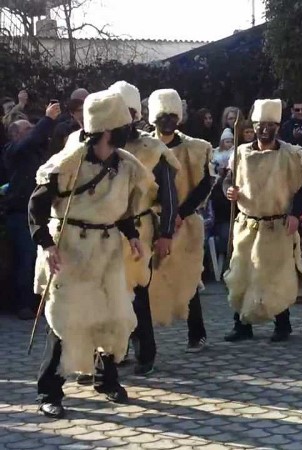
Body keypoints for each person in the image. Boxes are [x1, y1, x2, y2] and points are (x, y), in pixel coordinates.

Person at [30, 90, 153, 418]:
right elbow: (37, 205)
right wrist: (47, 243)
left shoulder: (126, 164)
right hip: (71, 249)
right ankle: (49, 391)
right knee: (65, 321)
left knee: (114, 316)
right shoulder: (69, 162)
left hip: (108, 249)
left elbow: (124, 209)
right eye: (125, 124)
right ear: (110, 129)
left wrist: (133, 236)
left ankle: (106, 380)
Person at [106, 81, 180, 376]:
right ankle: (114, 350)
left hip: (141, 229)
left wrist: (165, 234)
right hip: (107, 232)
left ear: (136, 113)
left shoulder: (152, 148)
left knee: (138, 293)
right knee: (111, 292)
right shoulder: (103, 145)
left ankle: (145, 353)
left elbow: (169, 196)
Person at [223, 99, 302, 343]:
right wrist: (228, 190)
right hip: (248, 224)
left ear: (277, 127)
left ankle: (282, 324)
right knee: (242, 275)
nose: (264, 129)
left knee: (275, 276)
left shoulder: (290, 154)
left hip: (277, 225)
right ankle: (242, 325)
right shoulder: (240, 154)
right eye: (260, 125)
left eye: (269, 125)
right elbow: (228, 180)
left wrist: (295, 214)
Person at [146, 89, 212, 352]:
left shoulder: (195, 148)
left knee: (189, 278)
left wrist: (181, 214)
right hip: (151, 221)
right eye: (162, 116)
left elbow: (204, 184)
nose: (168, 121)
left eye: (172, 115)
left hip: (185, 224)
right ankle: (138, 341)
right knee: (143, 280)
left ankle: (197, 333)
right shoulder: (143, 148)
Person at [3, 103, 60, 320]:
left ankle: (41, 302)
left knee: (40, 258)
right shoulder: (13, 151)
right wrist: (47, 119)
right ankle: (23, 304)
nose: (33, 131)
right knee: (26, 259)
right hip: (19, 215)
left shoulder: (36, 152)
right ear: (16, 134)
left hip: (39, 214)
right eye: (28, 129)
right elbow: (29, 141)